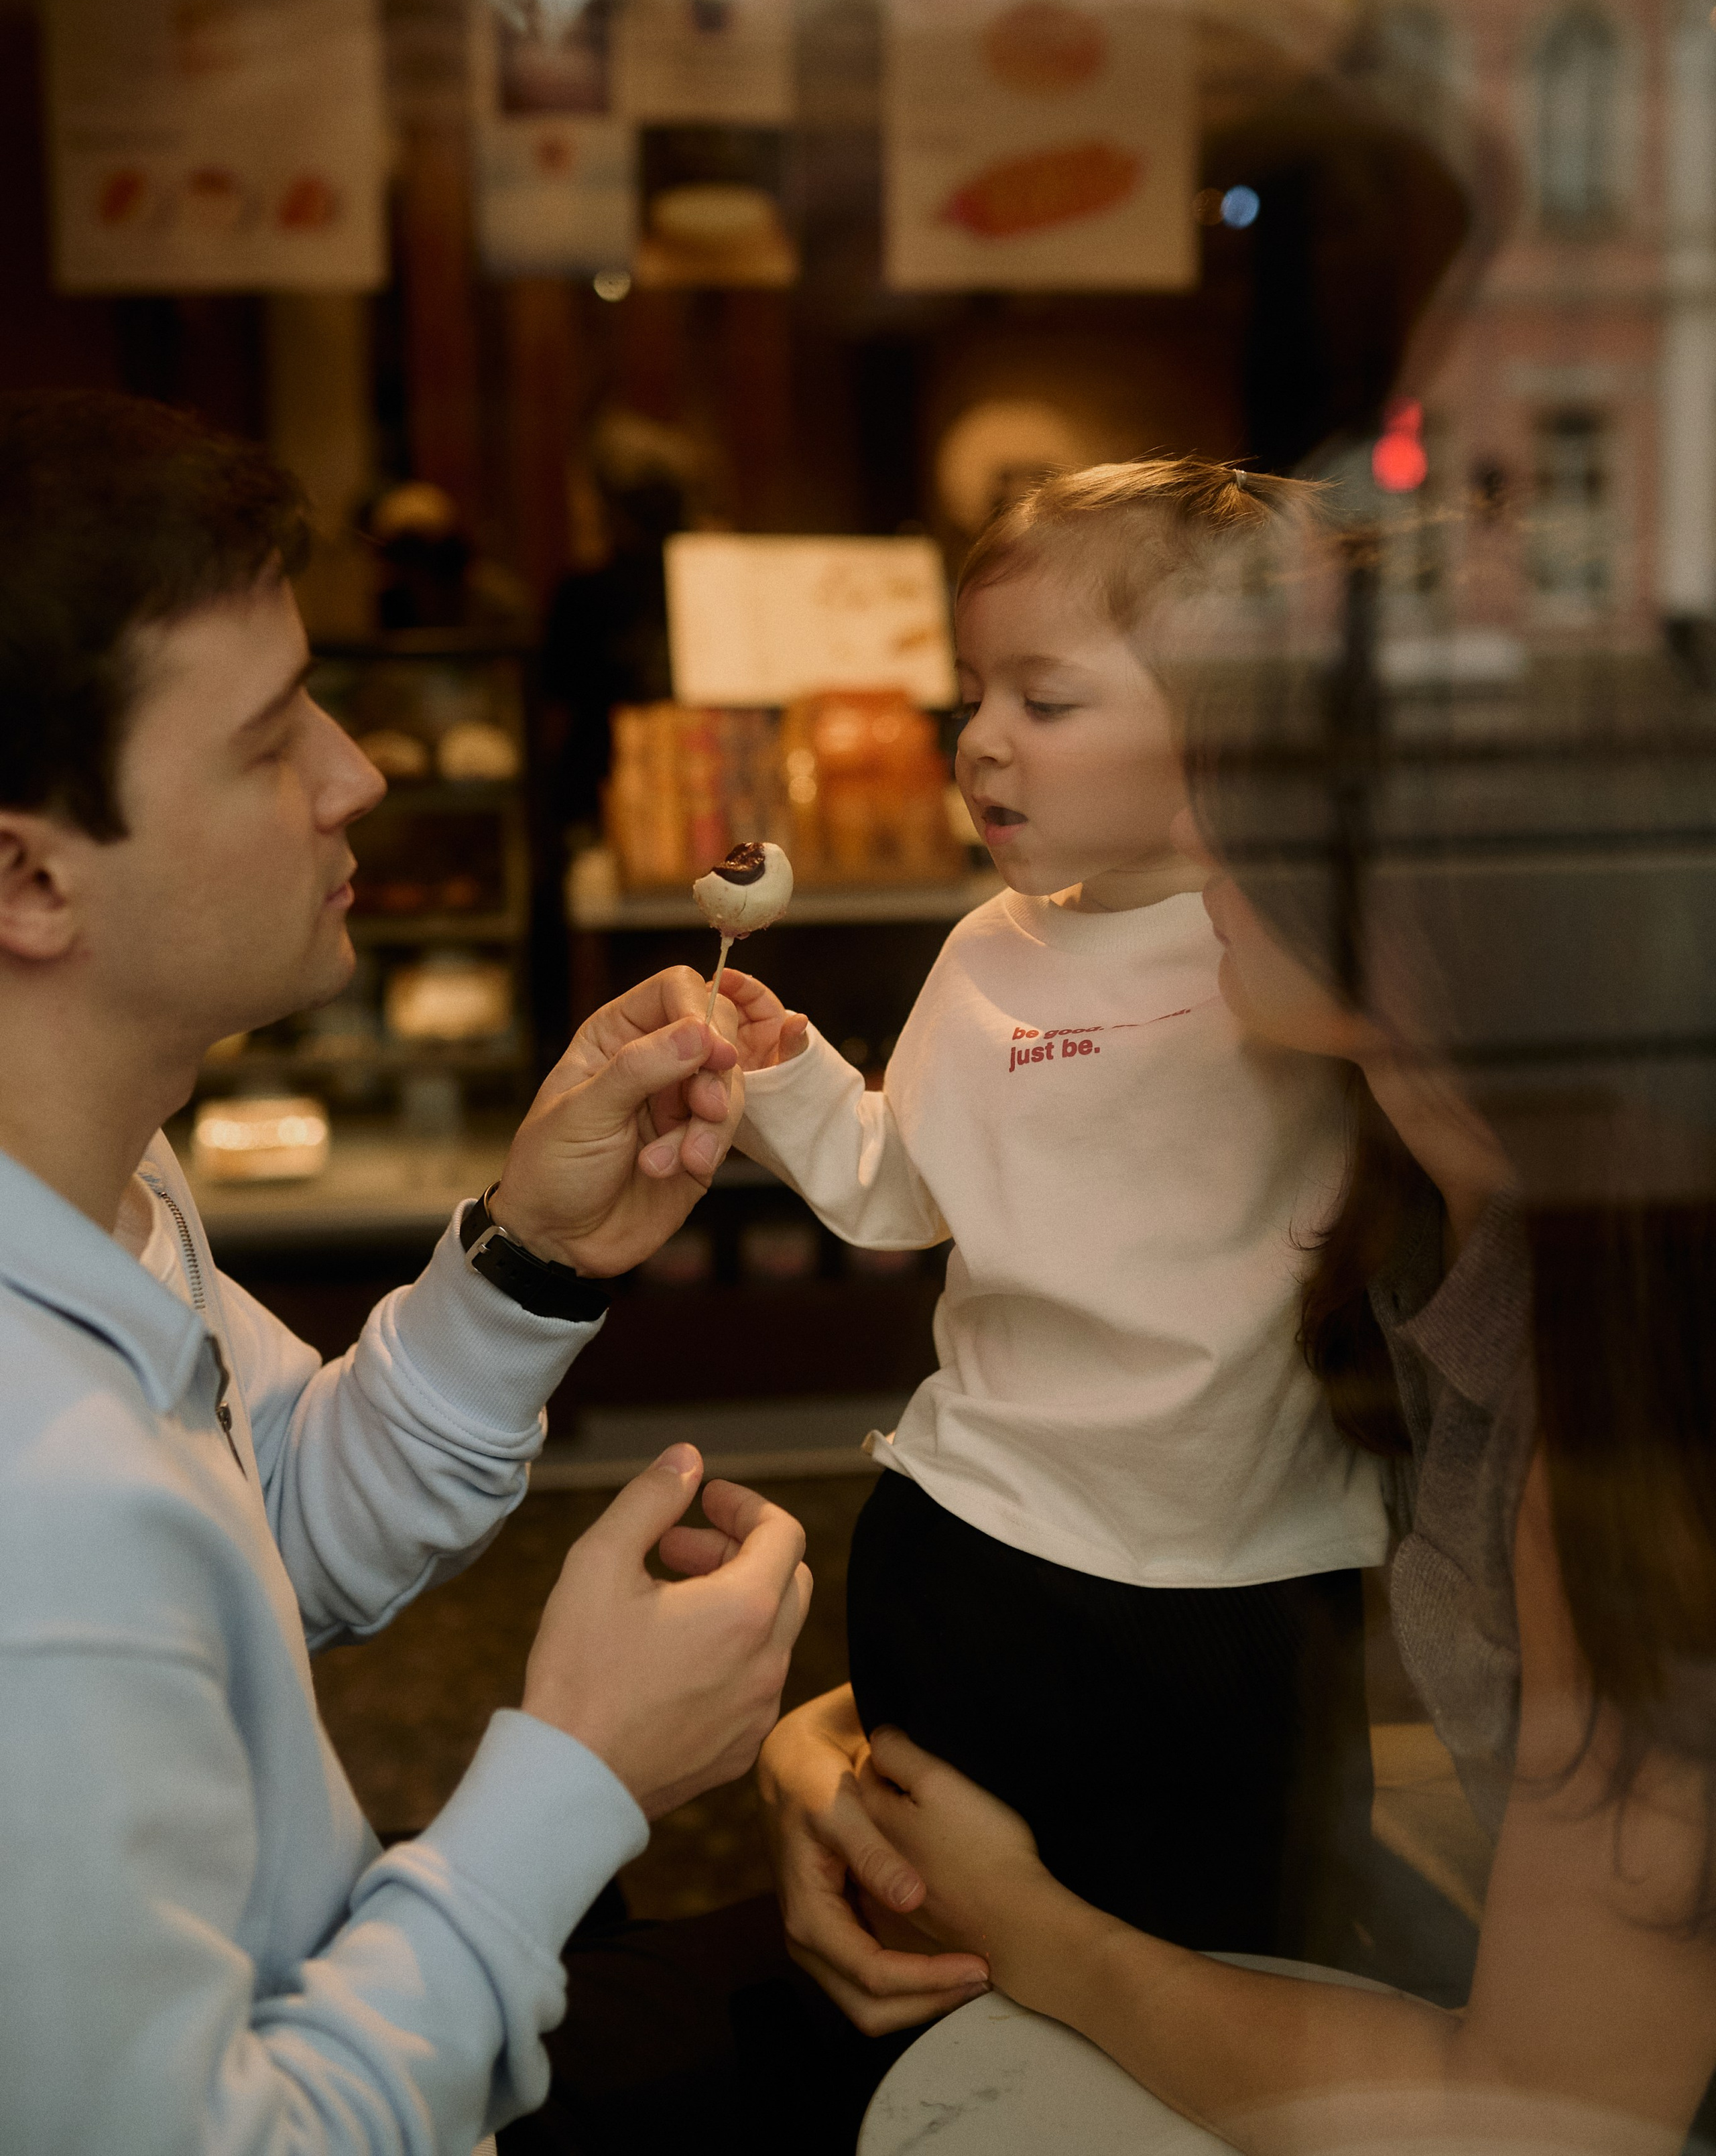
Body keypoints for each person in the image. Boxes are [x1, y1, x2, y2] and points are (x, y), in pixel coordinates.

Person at [0, 391, 811, 2155]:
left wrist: (541, 1252)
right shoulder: (30, 1514)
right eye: (272, 738)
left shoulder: (97, 1174)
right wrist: (579, 1772)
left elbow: (274, 1524)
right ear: (27, 874)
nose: (359, 775)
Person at [757, 673, 1716, 2150]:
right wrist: (831, 1760)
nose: (1190, 824)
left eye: (1258, 805)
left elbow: (1555, 2118)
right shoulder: (1401, 1219)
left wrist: (1030, 1925)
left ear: (1440, 910)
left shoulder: (1621, 1425)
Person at [719, 461, 1388, 1961]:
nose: (979, 744)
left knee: (1246, 1944)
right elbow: (899, 1184)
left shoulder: (1311, 950)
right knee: (956, 1947)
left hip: (1249, 1571)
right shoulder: (986, 951)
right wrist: (786, 1076)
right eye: (972, 695)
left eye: (1046, 699)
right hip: (982, 1535)